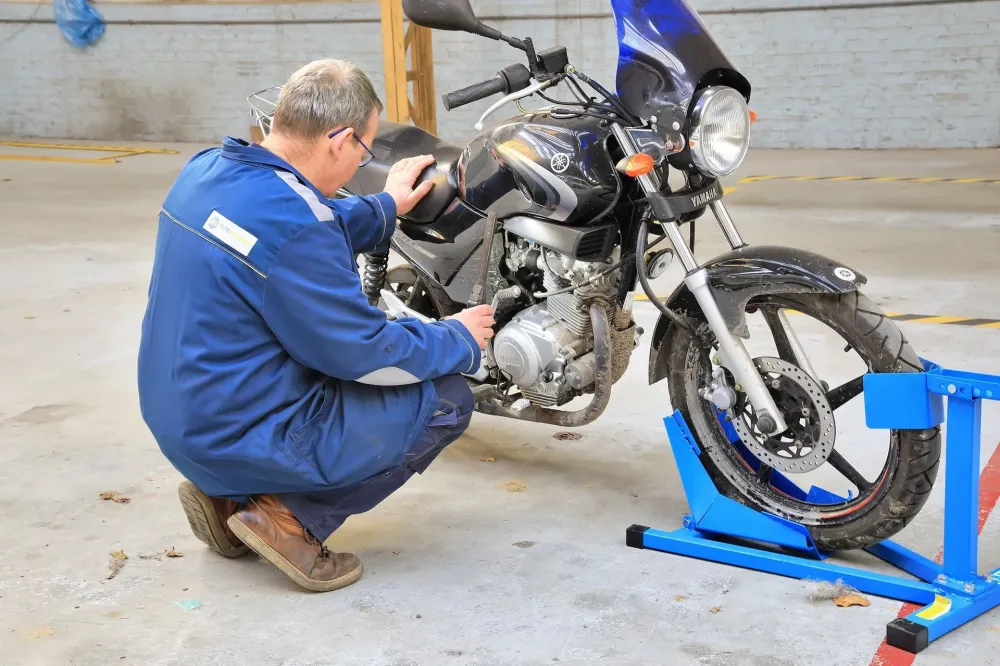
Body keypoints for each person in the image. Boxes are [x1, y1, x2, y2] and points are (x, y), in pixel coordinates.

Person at [138, 59, 495, 592]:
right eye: (363, 150)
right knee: (444, 399)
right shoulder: (299, 225)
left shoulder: (207, 170)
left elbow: (285, 238)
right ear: (339, 139)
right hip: (236, 432)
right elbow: (364, 352)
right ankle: (288, 519)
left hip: (180, 420)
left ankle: (226, 497)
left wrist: (384, 208)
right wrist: (459, 337)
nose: (359, 164)